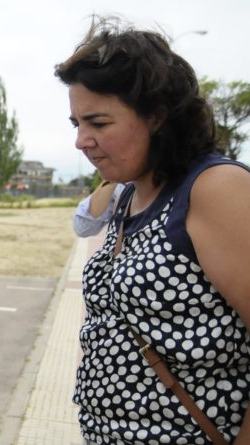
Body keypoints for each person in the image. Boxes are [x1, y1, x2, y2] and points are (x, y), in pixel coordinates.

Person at [57, 17, 250, 444]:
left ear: (158, 117)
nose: (81, 141)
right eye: (77, 124)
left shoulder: (215, 189)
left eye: (99, 123)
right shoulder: (129, 194)